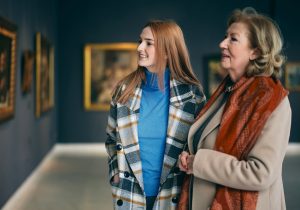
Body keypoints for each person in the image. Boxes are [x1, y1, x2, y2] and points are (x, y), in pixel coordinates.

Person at [178, 7, 291, 210]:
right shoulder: (225, 91)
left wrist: (198, 163)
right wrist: (188, 157)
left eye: (233, 39)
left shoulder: (271, 99)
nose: (222, 44)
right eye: (225, 37)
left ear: (255, 51)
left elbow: (260, 173)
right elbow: (206, 140)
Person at [105, 20, 206, 210]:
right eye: (140, 41)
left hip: (174, 194)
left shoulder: (192, 95)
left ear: (168, 51)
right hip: (129, 194)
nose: (139, 47)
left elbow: (201, 146)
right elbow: (111, 138)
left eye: (149, 43)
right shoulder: (123, 91)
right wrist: (115, 172)